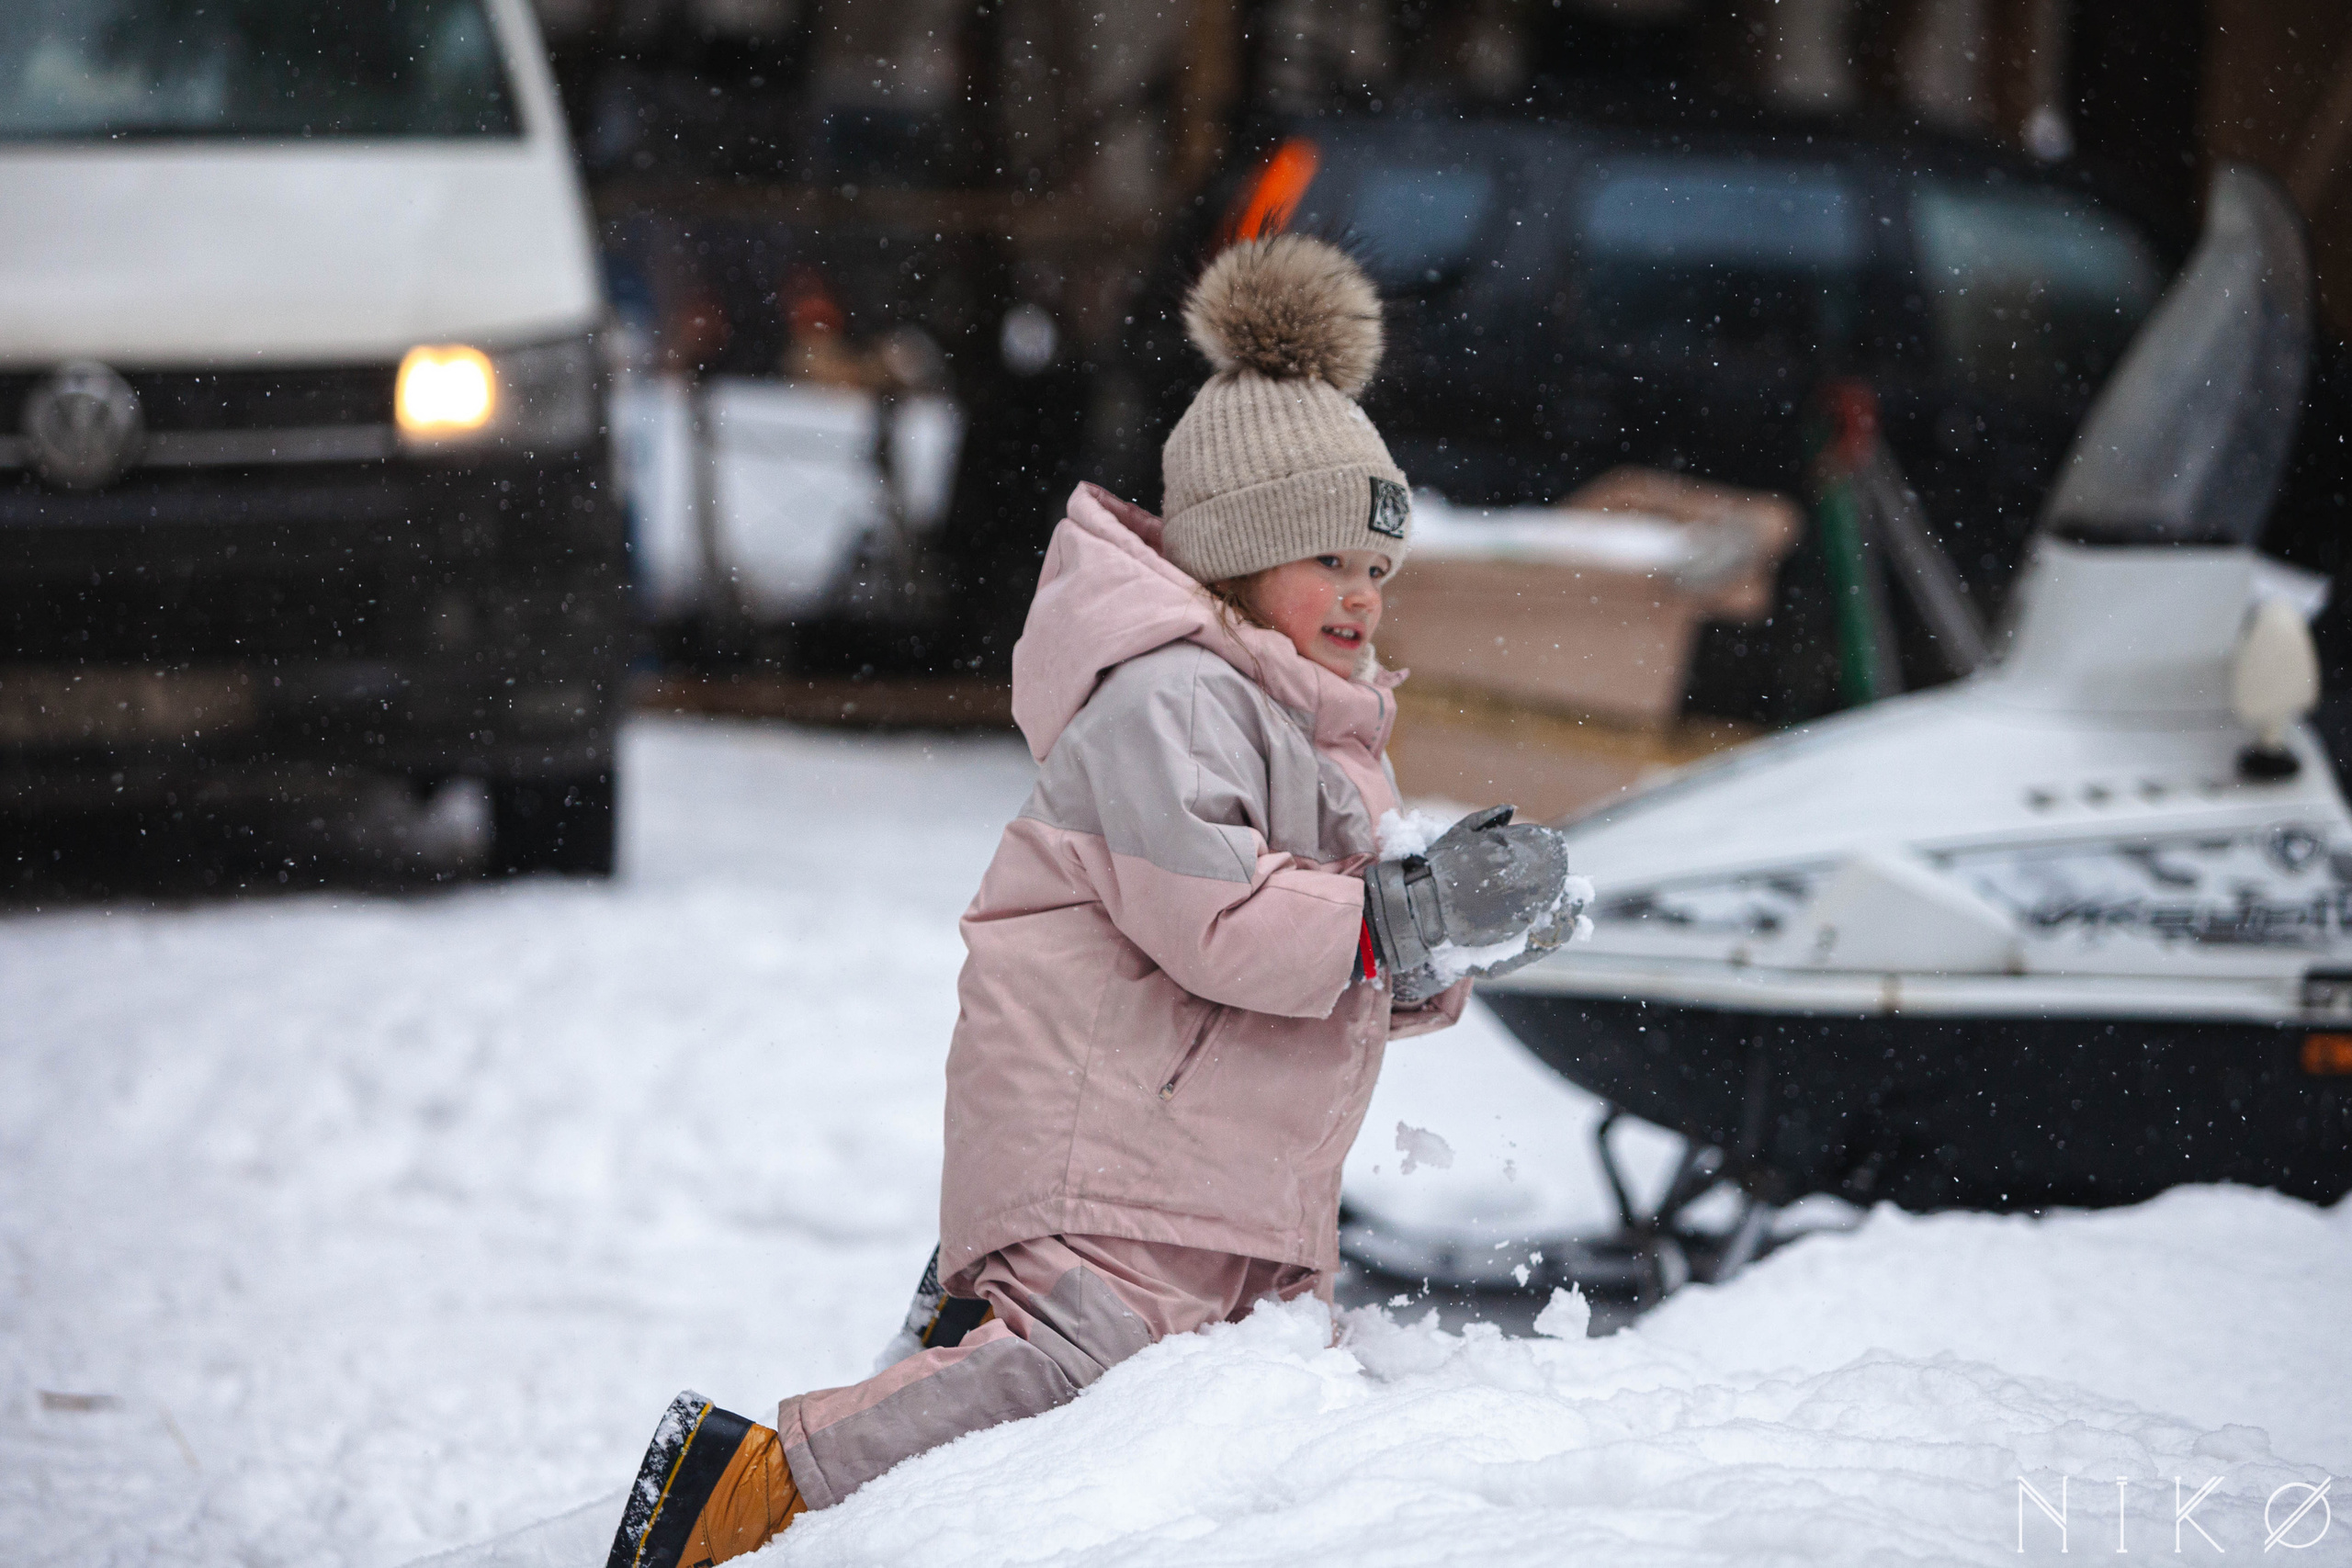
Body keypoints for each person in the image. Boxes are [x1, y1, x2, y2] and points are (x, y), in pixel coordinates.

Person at [604, 234, 1583, 1568]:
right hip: (1105, 1147)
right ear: (1236, 554)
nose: (1361, 596)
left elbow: (1334, 956)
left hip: (1226, 1176)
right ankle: (750, 1492)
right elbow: (1225, 924)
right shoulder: (1165, 698)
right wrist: (1404, 911)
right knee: (1077, 1372)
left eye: (1378, 568)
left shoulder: (1323, 728)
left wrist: (1446, 933)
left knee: (1214, 1414)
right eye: (1328, 560)